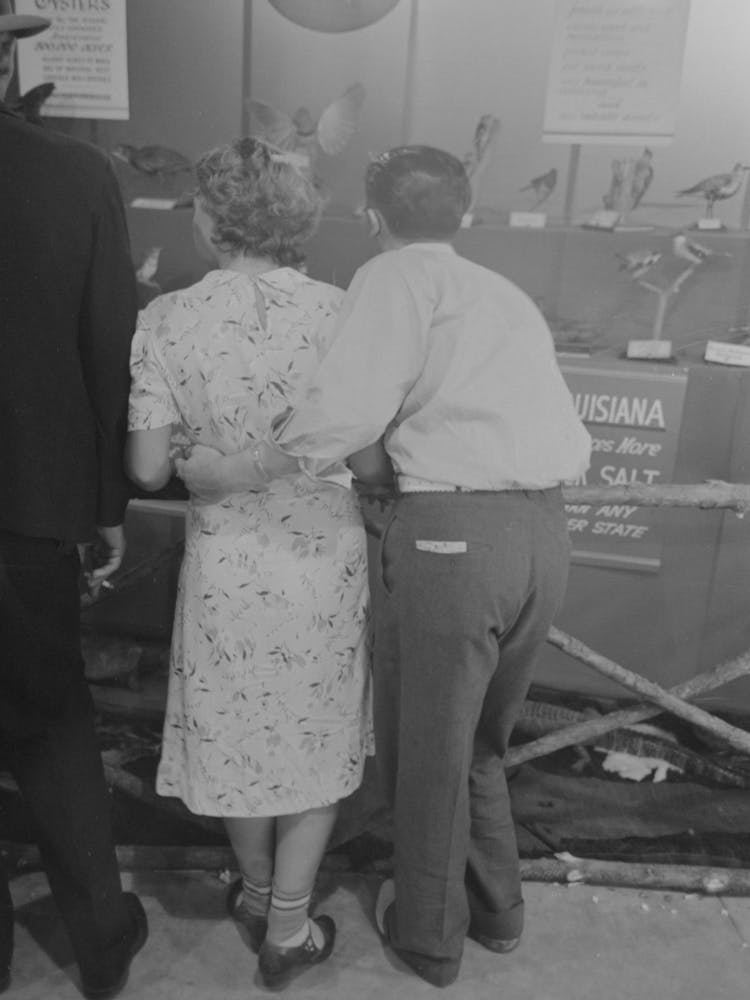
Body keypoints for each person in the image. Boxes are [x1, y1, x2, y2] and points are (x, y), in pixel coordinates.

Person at [180, 145, 591, 987]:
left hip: (454, 534)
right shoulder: (502, 292)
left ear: (372, 220)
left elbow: (344, 414)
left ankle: (429, 943)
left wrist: (238, 470)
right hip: (545, 534)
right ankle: (500, 914)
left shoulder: (393, 276)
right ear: (467, 214)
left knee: (428, 754)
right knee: (480, 743)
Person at [125, 137, 379, 991]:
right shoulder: (343, 315)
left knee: (237, 729)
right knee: (313, 731)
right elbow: (370, 456)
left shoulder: (165, 318)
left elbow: (148, 470)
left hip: (226, 559)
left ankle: (258, 891)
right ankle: (289, 928)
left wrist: (218, 460)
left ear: (207, 219)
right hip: (320, 561)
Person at [0, 2, 148, 997]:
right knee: (52, 723)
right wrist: (107, 508)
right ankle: (101, 940)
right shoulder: (72, 174)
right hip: (29, 508)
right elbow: (110, 351)